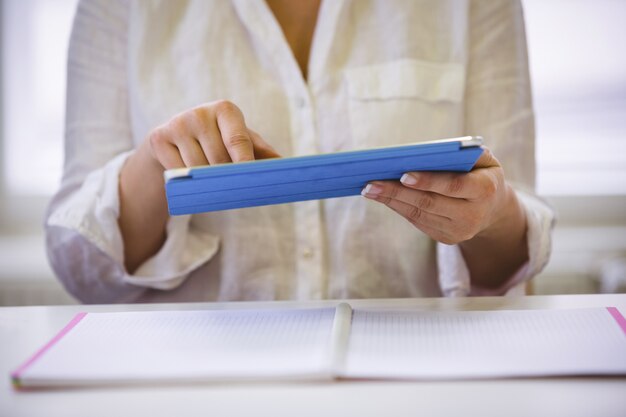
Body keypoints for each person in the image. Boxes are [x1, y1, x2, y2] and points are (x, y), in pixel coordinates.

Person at [46, 0, 555, 304]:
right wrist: (153, 164)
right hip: (194, 384)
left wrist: (488, 214)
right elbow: (78, 264)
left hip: (417, 377)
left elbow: (515, 257)